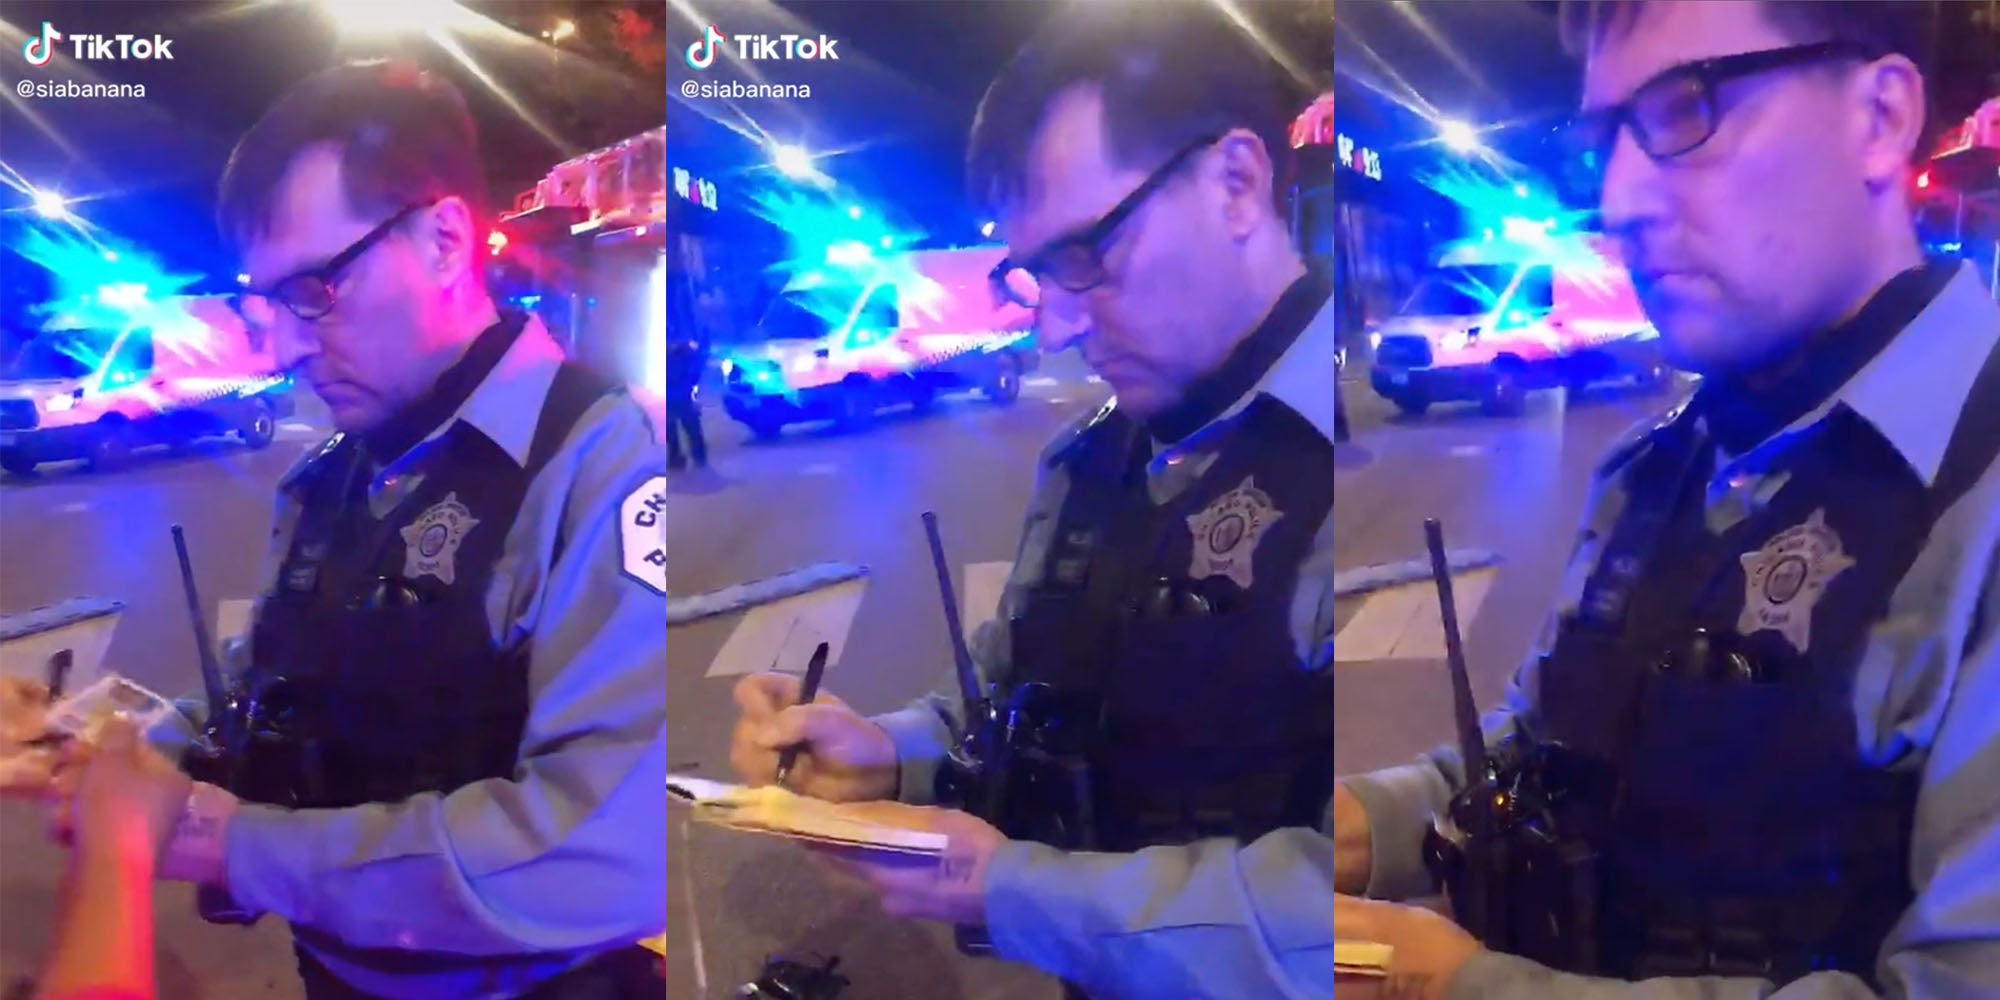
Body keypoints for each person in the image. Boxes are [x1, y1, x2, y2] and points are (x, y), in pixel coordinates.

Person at [1330, 3, 2000, 998]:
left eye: (1687, 108)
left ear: (1878, 115)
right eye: (1603, 139)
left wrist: (1458, 986)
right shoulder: (1656, 468)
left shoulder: (1972, 494)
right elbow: (1537, 743)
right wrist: (1350, 829)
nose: (1620, 199)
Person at [728, 6, 1335, 999]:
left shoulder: (1330, 467)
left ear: (1235, 184)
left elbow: (1329, 916)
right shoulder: (1087, 463)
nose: (1052, 328)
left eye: (1085, 254)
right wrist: (886, 753)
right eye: (1030, 274)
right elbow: (1007, 696)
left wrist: (1002, 887)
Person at [41, 61, 672, 999]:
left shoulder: (600, 461)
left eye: (315, 291)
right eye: (267, 302)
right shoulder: (328, 478)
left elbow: (605, 851)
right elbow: (273, 700)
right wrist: (114, 748)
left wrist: (228, 842)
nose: (287, 346)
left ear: (447, 239)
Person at [665, 319, 709, 470]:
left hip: (679, 389)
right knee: (678, 427)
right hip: (675, 390)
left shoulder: (683, 349)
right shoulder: (683, 348)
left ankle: (692, 458)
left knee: (687, 425)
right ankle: (687, 458)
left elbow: (696, 365)